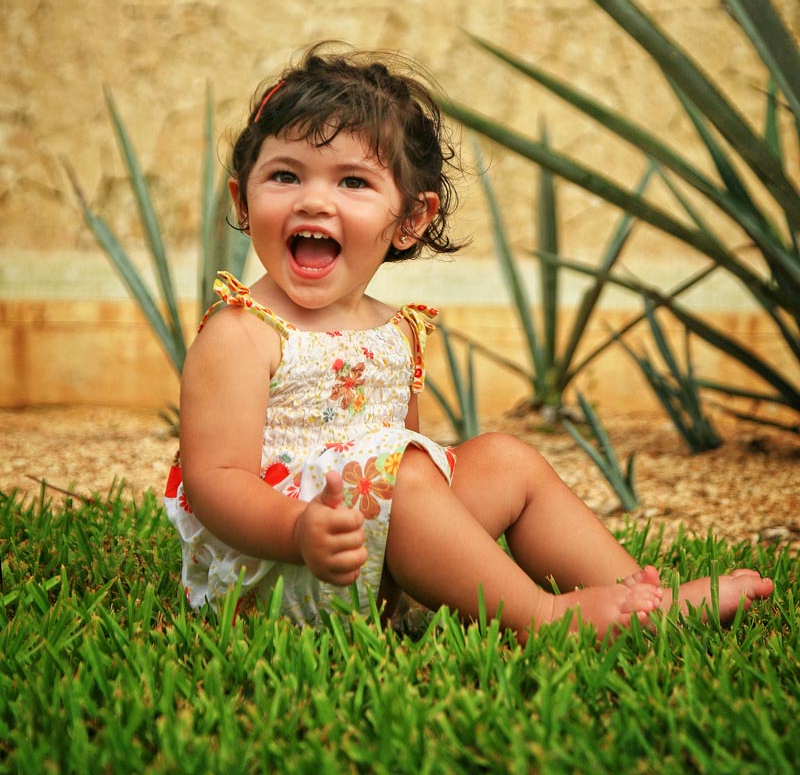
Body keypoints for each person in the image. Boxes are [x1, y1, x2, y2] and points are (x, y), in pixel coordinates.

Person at [164, 43, 773, 641]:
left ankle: (643, 595)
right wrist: (300, 529)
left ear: (409, 220)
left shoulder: (395, 330)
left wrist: (422, 502)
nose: (315, 199)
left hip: (380, 561)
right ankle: (547, 620)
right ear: (244, 198)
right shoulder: (241, 332)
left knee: (505, 459)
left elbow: (414, 459)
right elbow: (215, 482)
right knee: (400, 478)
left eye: (352, 181)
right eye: (285, 175)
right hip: (284, 570)